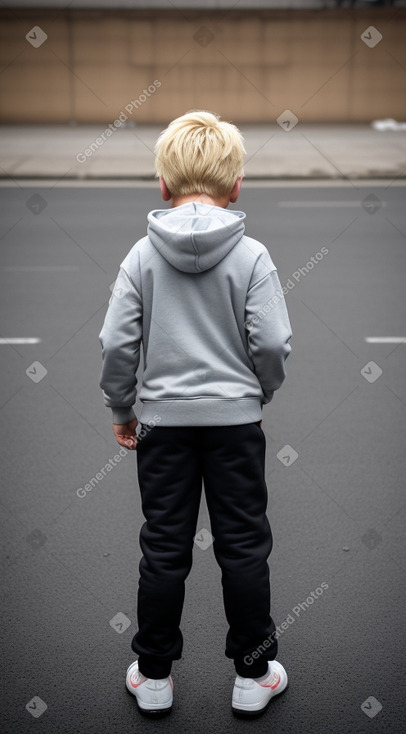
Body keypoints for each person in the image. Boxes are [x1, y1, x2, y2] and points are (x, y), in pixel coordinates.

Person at [99, 110, 292, 717]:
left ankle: (154, 674)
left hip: (161, 425)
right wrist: (255, 396)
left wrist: (123, 407)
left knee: (164, 546)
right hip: (235, 426)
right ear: (236, 186)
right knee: (243, 547)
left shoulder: (140, 256)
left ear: (163, 184)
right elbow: (271, 344)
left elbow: (115, 344)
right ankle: (253, 674)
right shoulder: (253, 254)